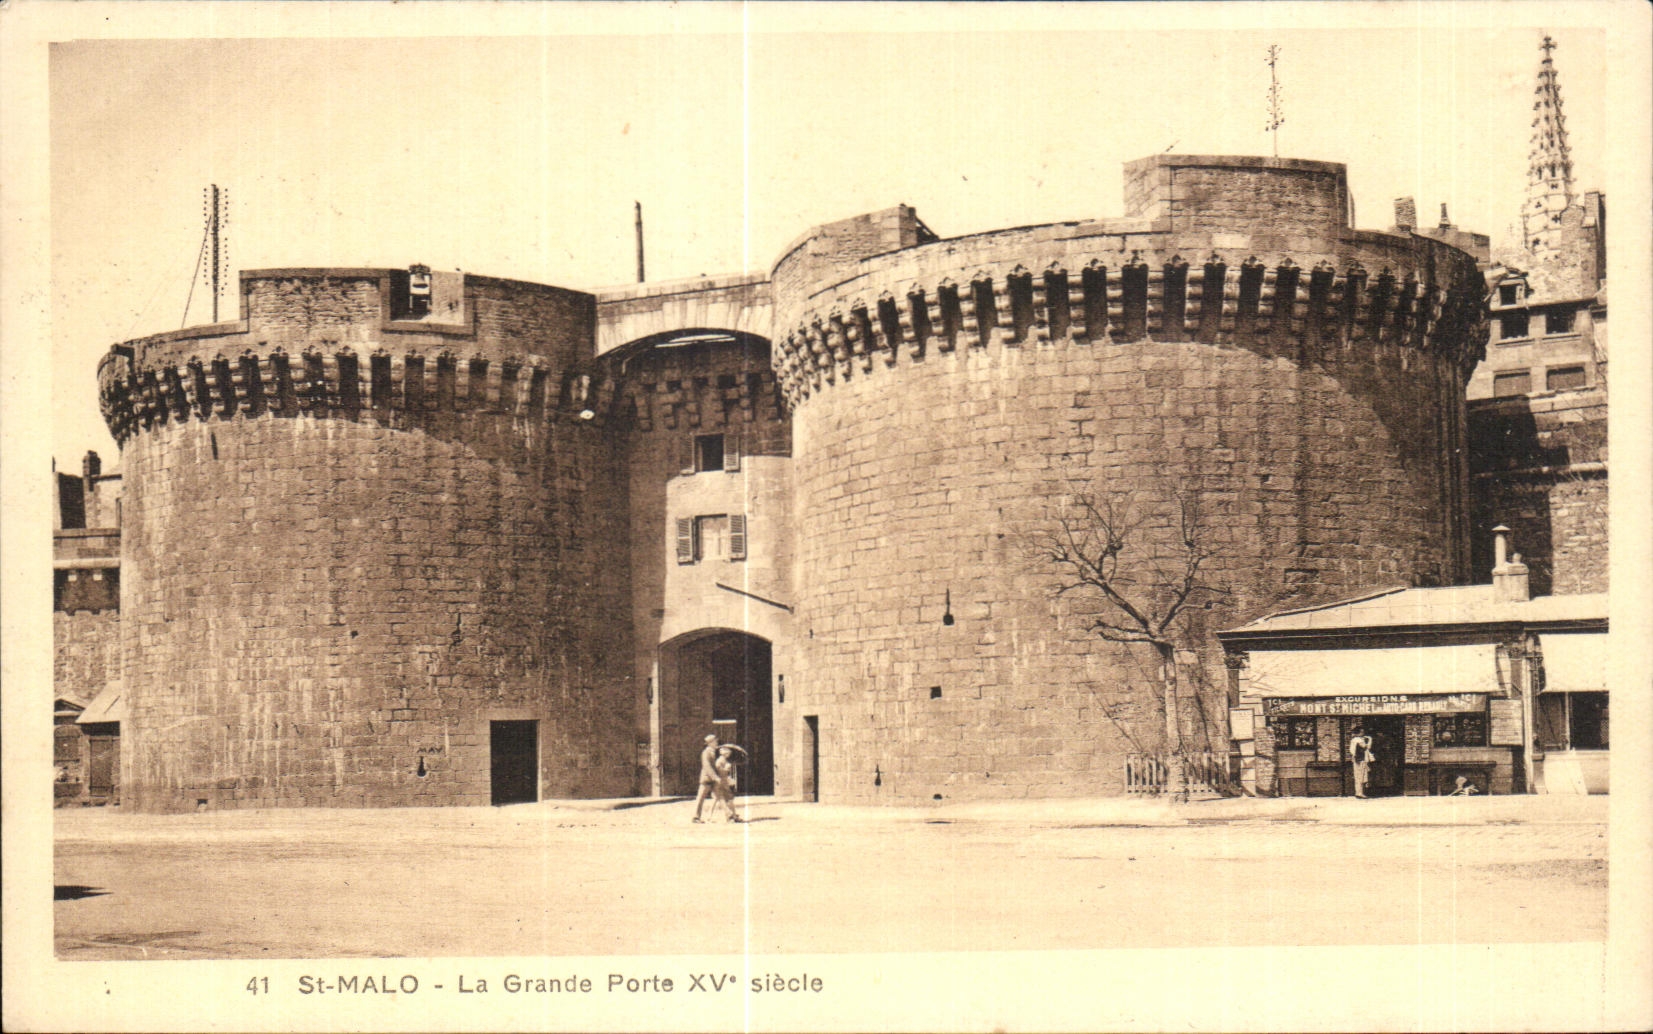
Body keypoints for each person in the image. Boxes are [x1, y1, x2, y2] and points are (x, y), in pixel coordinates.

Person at [691, 734, 719, 823]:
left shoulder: (715, 752)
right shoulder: (705, 752)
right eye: (715, 741)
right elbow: (707, 766)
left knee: (718, 797)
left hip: (714, 779)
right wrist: (715, 777)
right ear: (710, 743)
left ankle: (711, 817)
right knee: (701, 797)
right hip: (706, 778)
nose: (716, 742)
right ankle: (696, 817)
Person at [713, 746, 742, 822]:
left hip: (725, 781)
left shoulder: (724, 760)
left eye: (729, 752)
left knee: (729, 799)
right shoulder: (719, 761)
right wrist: (726, 769)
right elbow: (718, 770)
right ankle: (730, 816)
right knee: (725, 799)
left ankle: (733, 815)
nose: (728, 754)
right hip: (721, 782)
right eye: (727, 752)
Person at [1349, 726, 1375, 799]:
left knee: (1358, 777)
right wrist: (1370, 739)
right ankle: (1360, 793)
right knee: (1361, 776)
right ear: (1359, 733)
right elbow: (1367, 747)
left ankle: (1358, 792)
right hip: (1361, 760)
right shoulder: (1359, 740)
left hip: (1356, 760)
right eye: (1362, 732)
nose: (1363, 733)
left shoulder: (1354, 740)